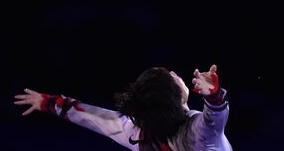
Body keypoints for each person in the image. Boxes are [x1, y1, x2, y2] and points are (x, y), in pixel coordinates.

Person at [14, 64, 232, 151]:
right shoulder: (194, 134)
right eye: (172, 77)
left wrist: (48, 102)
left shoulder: (137, 132)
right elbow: (213, 121)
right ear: (176, 98)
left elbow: (91, 116)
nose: (176, 74)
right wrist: (213, 96)